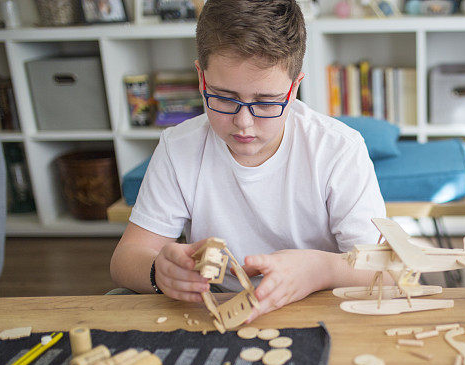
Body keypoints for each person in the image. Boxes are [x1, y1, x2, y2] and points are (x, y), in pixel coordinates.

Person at [110, 0, 386, 320]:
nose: (243, 122)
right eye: (224, 98)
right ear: (202, 80)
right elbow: (125, 259)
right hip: (215, 303)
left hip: (316, 299)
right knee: (119, 297)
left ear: (293, 89)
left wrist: (320, 269)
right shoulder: (179, 148)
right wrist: (160, 271)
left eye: (266, 102)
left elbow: (385, 270)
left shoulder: (338, 149)